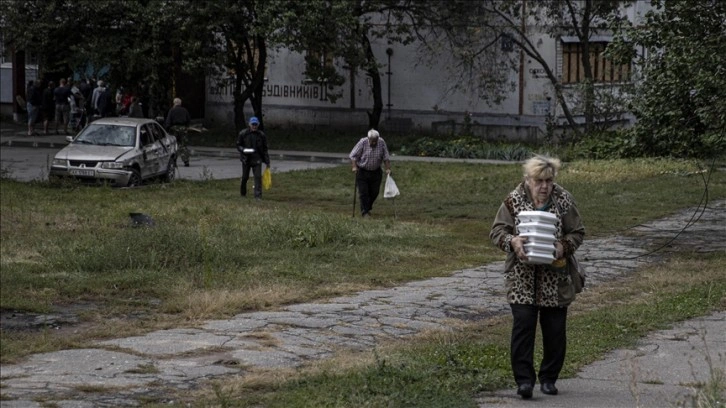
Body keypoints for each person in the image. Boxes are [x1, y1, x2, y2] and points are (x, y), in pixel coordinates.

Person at [489, 154, 585, 400]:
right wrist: (512, 241)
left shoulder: (563, 200)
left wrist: (564, 246)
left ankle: (549, 378)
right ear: (528, 180)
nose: (544, 187)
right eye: (538, 181)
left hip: (556, 279)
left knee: (554, 331)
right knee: (523, 327)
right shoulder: (513, 200)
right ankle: (524, 381)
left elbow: (577, 232)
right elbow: (497, 230)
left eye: (548, 181)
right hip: (522, 278)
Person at [349, 129, 391, 217]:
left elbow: (386, 157)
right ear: (368, 139)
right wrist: (354, 167)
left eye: (376, 141)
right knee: (363, 192)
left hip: (376, 172)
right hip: (362, 171)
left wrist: (388, 169)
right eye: (372, 141)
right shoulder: (362, 142)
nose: (374, 143)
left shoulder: (381, 142)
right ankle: (365, 212)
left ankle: (367, 207)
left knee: (374, 192)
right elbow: (353, 156)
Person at [236, 116, 270, 200]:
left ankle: (258, 196)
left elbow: (265, 149)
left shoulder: (261, 135)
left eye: (255, 124)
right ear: (249, 124)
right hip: (246, 158)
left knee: (258, 177)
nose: (254, 126)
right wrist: (243, 150)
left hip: (257, 158)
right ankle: (243, 193)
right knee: (245, 177)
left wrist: (267, 161)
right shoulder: (243, 133)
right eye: (253, 124)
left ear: (258, 125)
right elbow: (238, 145)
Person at [164, 97, 192, 166]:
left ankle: (174, 161)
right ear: (180, 103)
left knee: (174, 145)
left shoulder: (172, 110)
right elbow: (188, 120)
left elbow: (168, 121)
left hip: (174, 129)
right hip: (183, 129)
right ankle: (186, 161)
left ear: (174, 103)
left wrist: (167, 130)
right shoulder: (184, 110)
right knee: (183, 145)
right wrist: (186, 127)